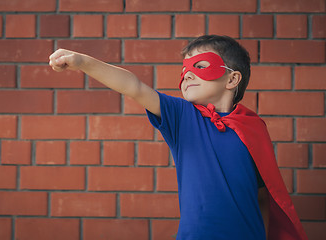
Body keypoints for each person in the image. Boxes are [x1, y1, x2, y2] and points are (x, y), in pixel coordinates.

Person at [49, 35, 307, 240]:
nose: (188, 75)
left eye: (201, 66)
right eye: (184, 70)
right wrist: (83, 62)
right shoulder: (182, 117)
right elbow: (133, 86)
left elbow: (263, 195)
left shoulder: (254, 129)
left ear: (232, 78)